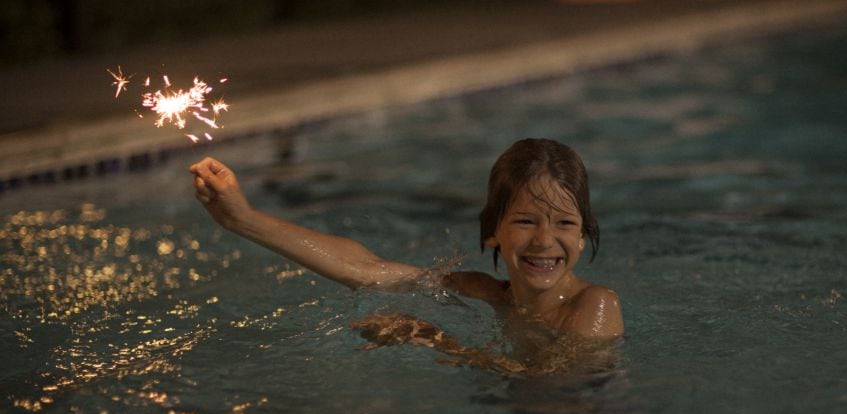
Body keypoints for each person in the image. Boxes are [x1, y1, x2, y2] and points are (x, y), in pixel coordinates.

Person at [189, 138, 624, 347]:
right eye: (526, 221)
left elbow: (550, 391)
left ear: (583, 237)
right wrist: (243, 221)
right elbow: (366, 269)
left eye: (565, 223)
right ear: (493, 231)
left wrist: (428, 336)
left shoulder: (594, 306)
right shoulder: (488, 293)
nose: (546, 240)